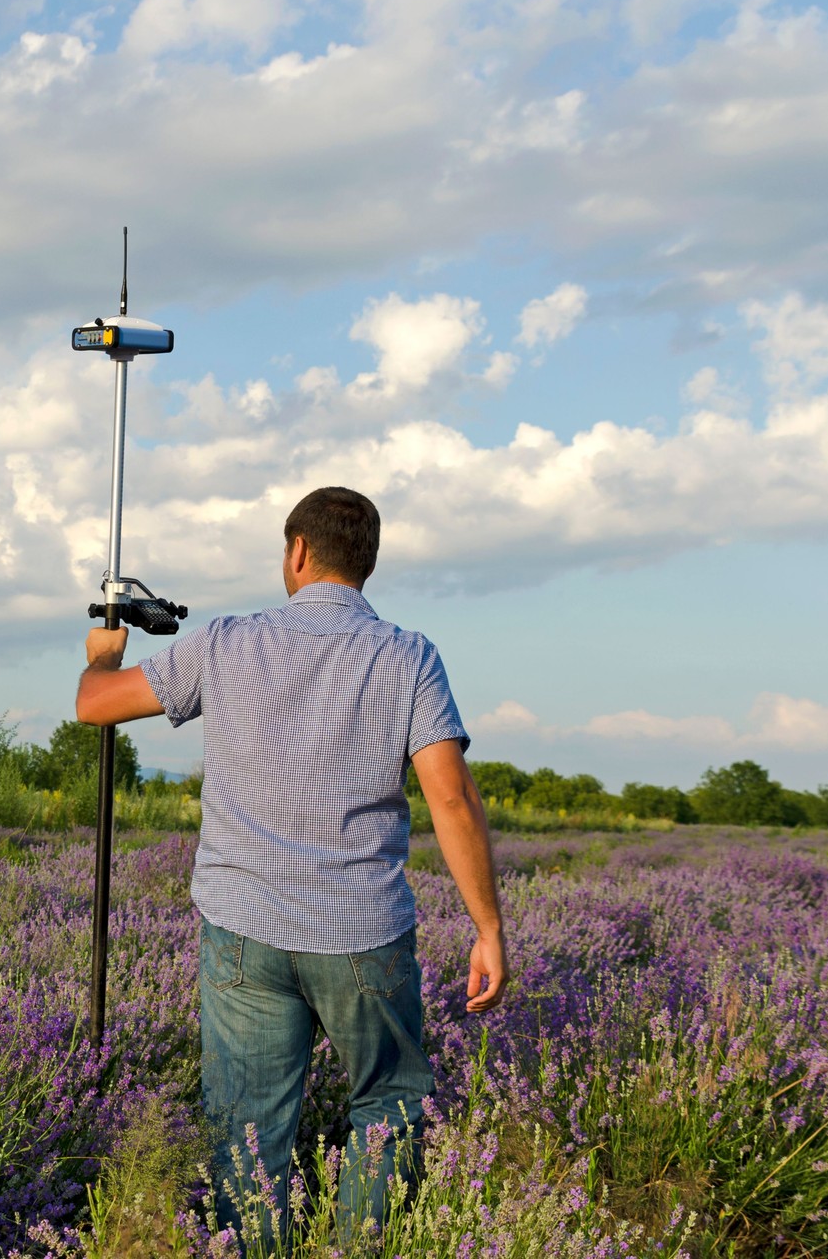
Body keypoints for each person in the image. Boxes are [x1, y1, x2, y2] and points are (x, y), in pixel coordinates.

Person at [75, 485, 507, 1244]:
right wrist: (487, 929)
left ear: (297, 552)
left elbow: (97, 706)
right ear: (366, 563)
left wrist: (103, 656)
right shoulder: (409, 656)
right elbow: (453, 800)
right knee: (389, 1105)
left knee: (247, 1128)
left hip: (245, 931)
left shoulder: (227, 642)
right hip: (361, 931)